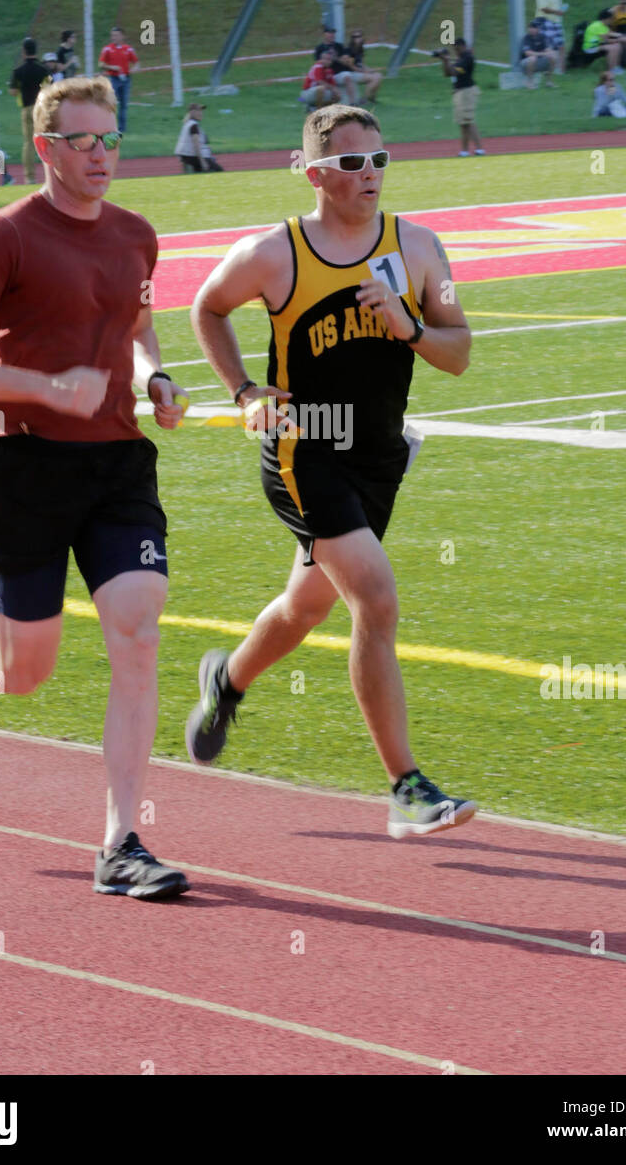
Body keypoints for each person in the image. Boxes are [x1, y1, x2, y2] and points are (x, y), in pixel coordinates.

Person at [0, 74, 190, 901]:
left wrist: (155, 375)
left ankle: (121, 843)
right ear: (45, 148)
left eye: (113, 139)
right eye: (85, 142)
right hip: (23, 468)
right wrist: (46, 388)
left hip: (118, 465)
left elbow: (135, 320)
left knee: (137, 629)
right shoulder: (5, 235)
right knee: (25, 672)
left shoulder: (136, 234)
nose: (103, 155)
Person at [183, 103, 477, 840]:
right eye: (352, 163)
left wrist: (408, 327)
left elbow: (460, 350)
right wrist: (245, 391)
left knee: (305, 606)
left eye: (379, 160)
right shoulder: (274, 254)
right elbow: (208, 308)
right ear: (315, 173)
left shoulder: (419, 248)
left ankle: (228, 680)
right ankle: (407, 789)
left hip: (379, 454)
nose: (370, 174)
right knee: (374, 599)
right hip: (303, 450)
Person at [8, 37, 51, 184]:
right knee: (47, 140)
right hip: (42, 108)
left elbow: (13, 91)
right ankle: (51, 175)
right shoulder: (43, 70)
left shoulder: (18, 71)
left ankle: (30, 177)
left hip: (27, 108)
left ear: (24, 52)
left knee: (28, 143)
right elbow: (49, 88)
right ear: (36, 51)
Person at [436, 38, 484, 155]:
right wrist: (444, 61)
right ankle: (465, 151)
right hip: (460, 92)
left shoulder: (467, 57)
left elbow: (454, 72)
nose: (455, 51)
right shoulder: (461, 58)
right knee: (463, 122)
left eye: (456, 48)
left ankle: (479, 149)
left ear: (462, 46)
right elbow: (447, 73)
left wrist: (447, 60)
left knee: (468, 120)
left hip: (466, 92)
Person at [98, 26, 139, 133]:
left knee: (124, 104)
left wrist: (133, 69)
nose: (113, 37)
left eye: (116, 35)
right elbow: (101, 64)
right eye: (112, 35)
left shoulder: (128, 49)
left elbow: (137, 63)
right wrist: (112, 67)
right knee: (111, 103)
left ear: (122, 36)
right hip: (114, 79)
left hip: (126, 79)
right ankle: (109, 126)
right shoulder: (107, 49)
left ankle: (122, 129)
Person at [174, 101, 224, 173]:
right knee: (219, 171)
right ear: (192, 112)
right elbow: (196, 145)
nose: (201, 113)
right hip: (192, 155)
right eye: (198, 110)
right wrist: (202, 162)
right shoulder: (193, 125)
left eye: (201, 111)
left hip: (186, 155)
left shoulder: (187, 124)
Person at [314, 26, 359, 104]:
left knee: (347, 76)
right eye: (329, 33)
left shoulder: (339, 46)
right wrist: (328, 59)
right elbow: (318, 63)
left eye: (333, 33)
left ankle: (352, 103)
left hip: (339, 73)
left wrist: (335, 57)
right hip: (327, 75)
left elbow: (346, 61)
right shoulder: (319, 48)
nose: (332, 35)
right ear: (325, 34)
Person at [534, 0, 567, 72]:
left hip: (556, 22)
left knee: (561, 46)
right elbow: (543, 8)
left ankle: (562, 70)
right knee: (549, 47)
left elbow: (557, 8)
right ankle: (548, 69)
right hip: (544, 21)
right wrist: (557, 12)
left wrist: (561, 11)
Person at [344, 29, 382, 104]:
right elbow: (351, 66)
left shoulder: (360, 49)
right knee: (375, 78)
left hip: (359, 72)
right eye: (354, 37)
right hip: (351, 74)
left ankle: (371, 97)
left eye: (358, 36)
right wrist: (363, 71)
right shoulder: (349, 50)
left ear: (361, 38)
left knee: (378, 75)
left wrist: (369, 70)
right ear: (352, 39)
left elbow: (361, 64)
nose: (356, 38)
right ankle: (365, 98)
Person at [519, 19, 557, 87]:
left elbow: (547, 49)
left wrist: (549, 52)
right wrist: (542, 53)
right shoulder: (526, 38)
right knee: (532, 58)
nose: (532, 29)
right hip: (526, 63)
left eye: (534, 27)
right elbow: (527, 53)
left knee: (553, 56)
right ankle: (529, 82)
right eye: (530, 27)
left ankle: (549, 81)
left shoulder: (542, 37)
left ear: (538, 29)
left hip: (538, 61)